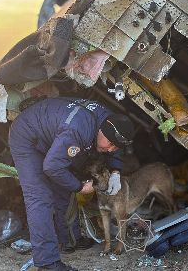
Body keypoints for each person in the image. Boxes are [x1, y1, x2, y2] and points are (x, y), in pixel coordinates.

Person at [8, 97, 135, 271]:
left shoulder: (110, 121)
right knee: (39, 197)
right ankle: (47, 263)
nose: (111, 149)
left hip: (52, 133)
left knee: (63, 187)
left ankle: (69, 239)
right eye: (110, 144)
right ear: (101, 131)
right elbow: (52, 167)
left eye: (116, 147)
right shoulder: (78, 130)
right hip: (27, 136)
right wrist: (80, 187)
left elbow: (113, 146)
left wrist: (115, 171)